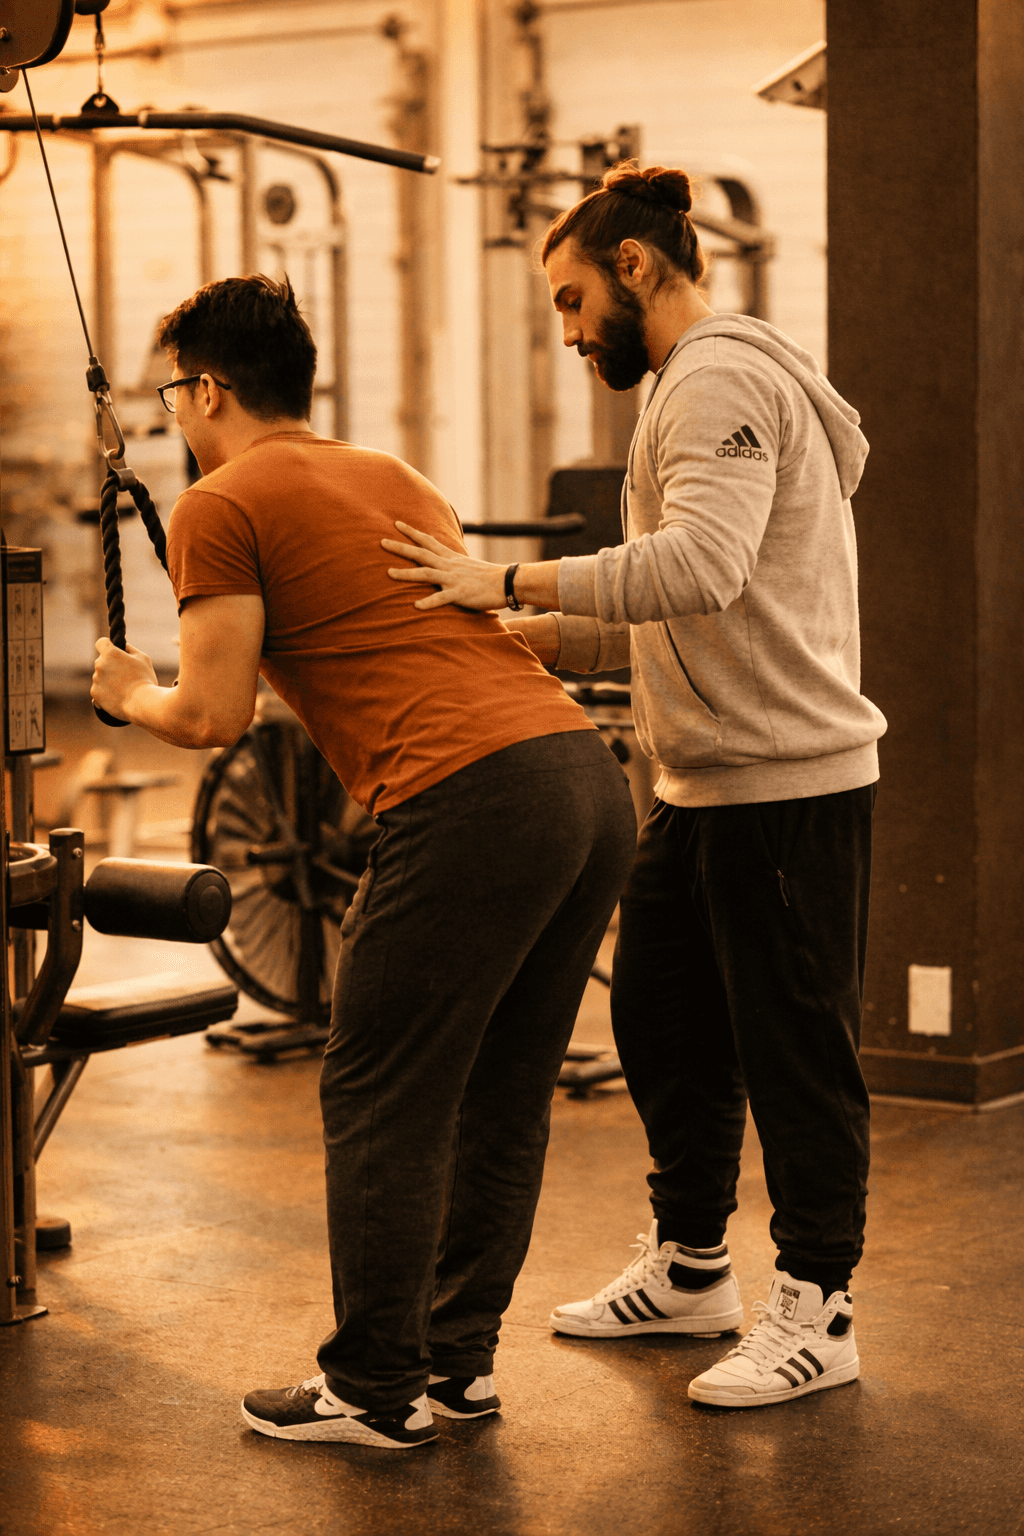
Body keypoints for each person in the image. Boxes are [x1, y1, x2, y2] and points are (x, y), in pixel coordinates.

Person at [90, 274, 637, 1448]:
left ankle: (374, 1389)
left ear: (209, 390)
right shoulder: (397, 476)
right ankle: (455, 1369)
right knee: (500, 1092)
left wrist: (131, 691)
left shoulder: (219, 503)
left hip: (473, 796)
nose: (176, 415)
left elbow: (213, 714)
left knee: (379, 1087)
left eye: (174, 394)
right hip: (582, 780)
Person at [382, 162, 887, 1410]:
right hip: (702, 783)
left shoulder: (715, 376)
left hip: (786, 786)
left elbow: (701, 565)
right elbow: (674, 611)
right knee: (664, 1029)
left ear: (635, 266)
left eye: (569, 301)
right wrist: (529, 638)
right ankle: (692, 1268)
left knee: (796, 1059)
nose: (566, 333)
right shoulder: (678, 386)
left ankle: (818, 1308)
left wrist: (508, 579)